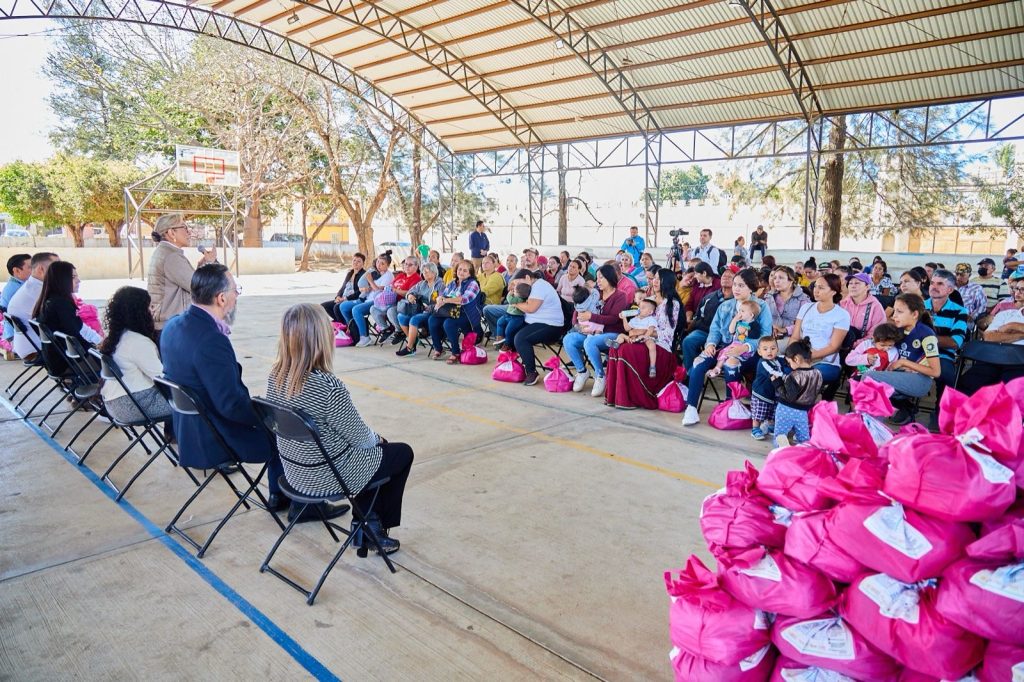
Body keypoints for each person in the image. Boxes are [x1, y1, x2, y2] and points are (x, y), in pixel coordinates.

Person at [162, 264, 334, 522]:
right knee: (295, 430)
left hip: (191, 428)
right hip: (216, 435)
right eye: (235, 290)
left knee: (280, 423)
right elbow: (231, 405)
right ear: (221, 298)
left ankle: (279, 494)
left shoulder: (174, 325)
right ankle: (305, 505)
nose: (237, 296)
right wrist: (271, 416)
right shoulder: (211, 340)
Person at [267, 304, 413, 553]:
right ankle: (371, 528)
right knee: (398, 453)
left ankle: (368, 524)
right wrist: (379, 439)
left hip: (295, 473)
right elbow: (361, 438)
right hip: (326, 476)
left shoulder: (276, 376)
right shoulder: (328, 387)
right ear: (320, 339)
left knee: (373, 457)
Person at [682, 269, 772, 426]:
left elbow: (765, 335)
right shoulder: (725, 305)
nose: (736, 288)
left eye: (741, 285)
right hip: (723, 348)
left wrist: (745, 347)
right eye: (735, 284)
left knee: (731, 364)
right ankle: (691, 408)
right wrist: (711, 344)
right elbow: (715, 329)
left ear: (751, 288)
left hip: (749, 352)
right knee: (698, 362)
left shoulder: (761, 306)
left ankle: (731, 405)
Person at [604, 269, 681, 409]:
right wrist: (633, 330)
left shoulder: (672, 304)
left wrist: (644, 332)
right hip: (639, 338)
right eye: (654, 278)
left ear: (667, 282)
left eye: (659, 279)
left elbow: (668, 333)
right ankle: (615, 397)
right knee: (616, 348)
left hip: (659, 344)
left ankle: (631, 399)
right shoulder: (649, 300)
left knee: (626, 351)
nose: (655, 281)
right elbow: (637, 320)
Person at [861, 293, 941, 426]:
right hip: (900, 375)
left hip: (920, 380)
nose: (894, 316)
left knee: (870, 378)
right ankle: (877, 422)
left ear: (914, 314)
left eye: (899, 312)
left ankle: (872, 424)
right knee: (864, 377)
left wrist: (903, 362)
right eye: (894, 311)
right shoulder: (898, 330)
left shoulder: (926, 334)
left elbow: (936, 372)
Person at [98, 286, 172, 424]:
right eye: (149, 307)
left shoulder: (119, 336)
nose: (153, 311)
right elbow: (162, 377)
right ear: (139, 312)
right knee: (193, 403)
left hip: (114, 403)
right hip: (132, 405)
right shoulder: (138, 342)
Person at [147, 213, 216, 335]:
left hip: (166, 324)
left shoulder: (165, 252)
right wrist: (210, 264)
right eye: (184, 227)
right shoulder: (172, 256)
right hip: (171, 326)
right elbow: (198, 286)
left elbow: (188, 281)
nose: (189, 232)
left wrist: (203, 264)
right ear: (171, 233)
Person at [564, 264, 629, 396]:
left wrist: (591, 316)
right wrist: (578, 326)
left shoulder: (620, 296)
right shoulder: (594, 293)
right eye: (597, 277)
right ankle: (582, 371)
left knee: (590, 342)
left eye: (601, 277)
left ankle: (600, 375)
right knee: (568, 339)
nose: (598, 281)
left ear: (610, 278)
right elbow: (577, 310)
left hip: (612, 334)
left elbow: (613, 319)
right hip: (590, 332)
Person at [33, 261, 103, 376]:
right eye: (73, 277)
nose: (78, 281)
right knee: (116, 365)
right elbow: (76, 339)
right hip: (68, 363)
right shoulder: (61, 304)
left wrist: (97, 343)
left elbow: (78, 330)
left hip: (56, 361)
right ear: (61, 280)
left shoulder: (50, 300)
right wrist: (97, 349)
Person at [960, 279, 1024, 393]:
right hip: (992, 358)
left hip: (1020, 363)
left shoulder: (1009, 320)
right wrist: (1020, 334)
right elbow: (989, 337)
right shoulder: (1005, 314)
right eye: (1017, 288)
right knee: (966, 386)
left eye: (1022, 290)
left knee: (1012, 393)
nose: (1017, 292)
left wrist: (1011, 326)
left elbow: (996, 334)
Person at [509, 269, 567, 386]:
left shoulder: (540, 286)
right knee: (510, 328)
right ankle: (513, 363)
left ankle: (531, 372)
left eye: (518, 283)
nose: (516, 287)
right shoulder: (533, 285)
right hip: (534, 321)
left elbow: (530, 308)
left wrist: (514, 302)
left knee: (520, 338)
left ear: (527, 278)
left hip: (551, 326)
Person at [790, 273, 850, 386]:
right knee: (770, 367)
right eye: (815, 286)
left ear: (833, 291)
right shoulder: (806, 308)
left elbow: (833, 347)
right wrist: (791, 355)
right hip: (800, 357)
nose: (816, 290)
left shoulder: (842, 314)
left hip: (825, 362)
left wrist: (807, 357)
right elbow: (795, 337)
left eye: (821, 288)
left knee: (805, 376)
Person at [923, 269, 969, 409]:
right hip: (916, 352)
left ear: (950, 290)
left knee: (947, 377)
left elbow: (955, 342)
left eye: (940, 284)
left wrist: (925, 338)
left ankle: (942, 411)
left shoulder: (960, 311)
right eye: (932, 283)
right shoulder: (919, 306)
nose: (934, 287)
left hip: (942, 355)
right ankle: (904, 406)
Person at [770, 337, 823, 447]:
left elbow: (788, 396)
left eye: (789, 362)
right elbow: (818, 394)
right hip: (803, 412)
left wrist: (777, 383)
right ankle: (805, 452)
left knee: (780, 435)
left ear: (796, 359)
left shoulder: (794, 376)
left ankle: (782, 451)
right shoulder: (818, 374)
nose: (789, 365)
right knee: (804, 438)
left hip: (785, 409)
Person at [428, 260, 482, 364]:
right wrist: (440, 299)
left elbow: (464, 299)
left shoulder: (473, 283)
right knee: (432, 320)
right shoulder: (453, 283)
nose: (461, 272)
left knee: (448, 323)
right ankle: (438, 348)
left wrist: (446, 300)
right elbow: (443, 295)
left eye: (465, 270)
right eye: (460, 269)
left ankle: (455, 352)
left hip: (466, 314)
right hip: (450, 312)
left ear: (470, 273)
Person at [8, 252, 59, 359]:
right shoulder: (38, 291)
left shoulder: (33, 286)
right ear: (41, 269)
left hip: (28, 345)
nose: (62, 270)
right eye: (57, 266)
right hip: (36, 348)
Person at [681, 269, 734, 372]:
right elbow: (698, 316)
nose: (725, 278)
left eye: (729, 277)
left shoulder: (737, 300)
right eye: (724, 276)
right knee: (688, 341)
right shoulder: (710, 297)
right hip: (705, 331)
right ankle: (690, 373)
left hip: (727, 335)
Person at [395, 262, 445, 357]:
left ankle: (409, 348)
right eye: (423, 272)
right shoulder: (422, 284)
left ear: (434, 272)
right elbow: (410, 292)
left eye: (427, 271)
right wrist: (410, 296)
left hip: (433, 312)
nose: (424, 274)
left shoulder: (440, 285)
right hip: (419, 310)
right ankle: (413, 341)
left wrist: (429, 307)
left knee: (414, 319)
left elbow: (441, 301)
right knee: (401, 316)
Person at [348, 252, 395, 347]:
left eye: (382, 263)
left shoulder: (388, 276)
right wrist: (366, 287)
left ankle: (365, 337)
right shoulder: (377, 273)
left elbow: (378, 291)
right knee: (345, 307)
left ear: (388, 265)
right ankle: (353, 333)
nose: (379, 265)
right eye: (378, 262)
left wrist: (370, 281)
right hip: (368, 299)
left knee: (356, 310)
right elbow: (366, 286)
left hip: (379, 302)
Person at [371, 255, 421, 345]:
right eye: (406, 264)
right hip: (391, 301)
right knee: (373, 308)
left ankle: (400, 331)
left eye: (410, 265)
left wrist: (396, 291)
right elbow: (390, 286)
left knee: (391, 311)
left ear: (416, 266)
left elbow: (410, 294)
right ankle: (386, 329)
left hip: (405, 305)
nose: (407, 266)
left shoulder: (417, 278)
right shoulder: (401, 275)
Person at [707, 299, 761, 378]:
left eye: (742, 311)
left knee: (731, 356)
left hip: (744, 347)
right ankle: (717, 368)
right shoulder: (740, 322)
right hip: (735, 344)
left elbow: (756, 335)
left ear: (751, 315)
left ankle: (725, 370)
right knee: (724, 352)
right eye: (739, 310)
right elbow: (731, 330)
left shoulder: (754, 324)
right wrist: (735, 320)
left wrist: (745, 332)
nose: (739, 313)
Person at [610, 297, 660, 377]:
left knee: (652, 345)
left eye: (643, 308)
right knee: (621, 335)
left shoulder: (650, 319)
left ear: (650, 312)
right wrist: (624, 318)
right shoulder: (634, 319)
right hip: (633, 338)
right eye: (639, 307)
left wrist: (645, 336)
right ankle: (616, 343)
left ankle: (652, 366)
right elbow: (627, 329)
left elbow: (651, 329)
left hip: (645, 338)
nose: (639, 309)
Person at [839, 272, 886, 348]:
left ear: (867, 287)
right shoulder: (843, 304)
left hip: (863, 348)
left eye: (857, 283)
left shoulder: (875, 307)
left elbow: (875, 335)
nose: (853, 286)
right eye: (850, 283)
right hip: (840, 345)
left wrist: (854, 345)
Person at [763, 266, 810, 343]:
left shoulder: (803, 299)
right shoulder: (769, 297)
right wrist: (772, 327)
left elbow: (806, 324)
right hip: (770, 336)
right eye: (775, 278)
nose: (776, 281)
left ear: (791, 281)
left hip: (794, 337)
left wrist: (785, 330)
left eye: (781, 278)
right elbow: (764, 318)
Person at [750, 336, 784, 441]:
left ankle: (771, 426)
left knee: (773, 411)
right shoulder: (763, 363)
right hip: (761, 393)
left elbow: (787, 361)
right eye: (765, 349)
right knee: (759, 413)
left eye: (773, 348)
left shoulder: (778, 360)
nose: (769, 351)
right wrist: (785, 376)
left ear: (777, 349)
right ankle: (755, 429)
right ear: (759, 352)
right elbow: (773, 372)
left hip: (773, 393)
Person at [321, 253, 366, 322]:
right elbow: (343, 287)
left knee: (336, 307)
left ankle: (343, 325)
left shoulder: (364, 275)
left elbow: (359, 292)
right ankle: (341, 322)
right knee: (324, 306)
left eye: (359, 261)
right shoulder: (350, 273)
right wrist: (338, 296)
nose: (355, 263)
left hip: (353, 299)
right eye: (354, 260)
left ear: (363, 264)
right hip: (343, 298)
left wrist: (345, 298)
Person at [1, 253, 31, 349]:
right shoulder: (17, 289)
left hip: (16, 332)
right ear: (17, 270)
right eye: (30, 267)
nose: (34, 271)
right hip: (17, 334)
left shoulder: (17, 284)